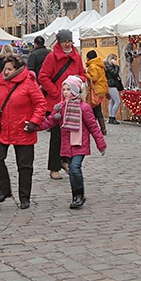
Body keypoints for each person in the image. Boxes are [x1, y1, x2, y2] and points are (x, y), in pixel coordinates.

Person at [0, 53, 46, 209]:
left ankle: (24, 197)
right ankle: (5, 189)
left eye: (9, 69)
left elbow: (41, 104)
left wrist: (34, 122)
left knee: (24, 166)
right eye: (5, 69)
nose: (6, 72)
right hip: (3, 129)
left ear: (17, 69)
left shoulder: (29, 82)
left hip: (23, 129)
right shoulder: (1, 82)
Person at [34, 75, 106, 209]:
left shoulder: (84, 108)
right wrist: (34, 126)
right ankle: (75, 195)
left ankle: (79, 195)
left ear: (75, 91)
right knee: (72, 171)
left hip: (80, 144)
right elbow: (49, 121)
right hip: (67, 145)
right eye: (64, 89)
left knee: (74, 168)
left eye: (68, 89)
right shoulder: (61, 107)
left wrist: (101, 144)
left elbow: (93, 127)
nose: (65, 92)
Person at [38, 29, 86, 180]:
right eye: (64, 41)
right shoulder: (52, 57)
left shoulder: (76, 57)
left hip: (72, 103)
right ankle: (54, 167)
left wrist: (79, 80)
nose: (67, 44)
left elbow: (83, 74)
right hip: (55, 103)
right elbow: (43, 77)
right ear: (59, 42)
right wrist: (56, 92)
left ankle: (65, 161)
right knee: (57, 136)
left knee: (71, 134)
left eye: (69, 41)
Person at [84, 50, 108, 135]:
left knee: (95, 109)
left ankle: (101, 129)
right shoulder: (99, 64)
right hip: (101, 89)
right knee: (95, 109)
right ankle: (98, 128)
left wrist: (85, 74)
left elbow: (93, 78)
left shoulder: (93, 66)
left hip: (96, 90)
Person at [104, 53, 124, 124]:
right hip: (111, 85)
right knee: (117, 101)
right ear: (111, 59)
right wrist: (116, 66)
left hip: (112, 85)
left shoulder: (108, 66)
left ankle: (111, 117)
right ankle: (113, 117)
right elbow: (115, 73)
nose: (115, 61)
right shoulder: (109, 66)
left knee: (112, 101)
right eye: (114, 59)